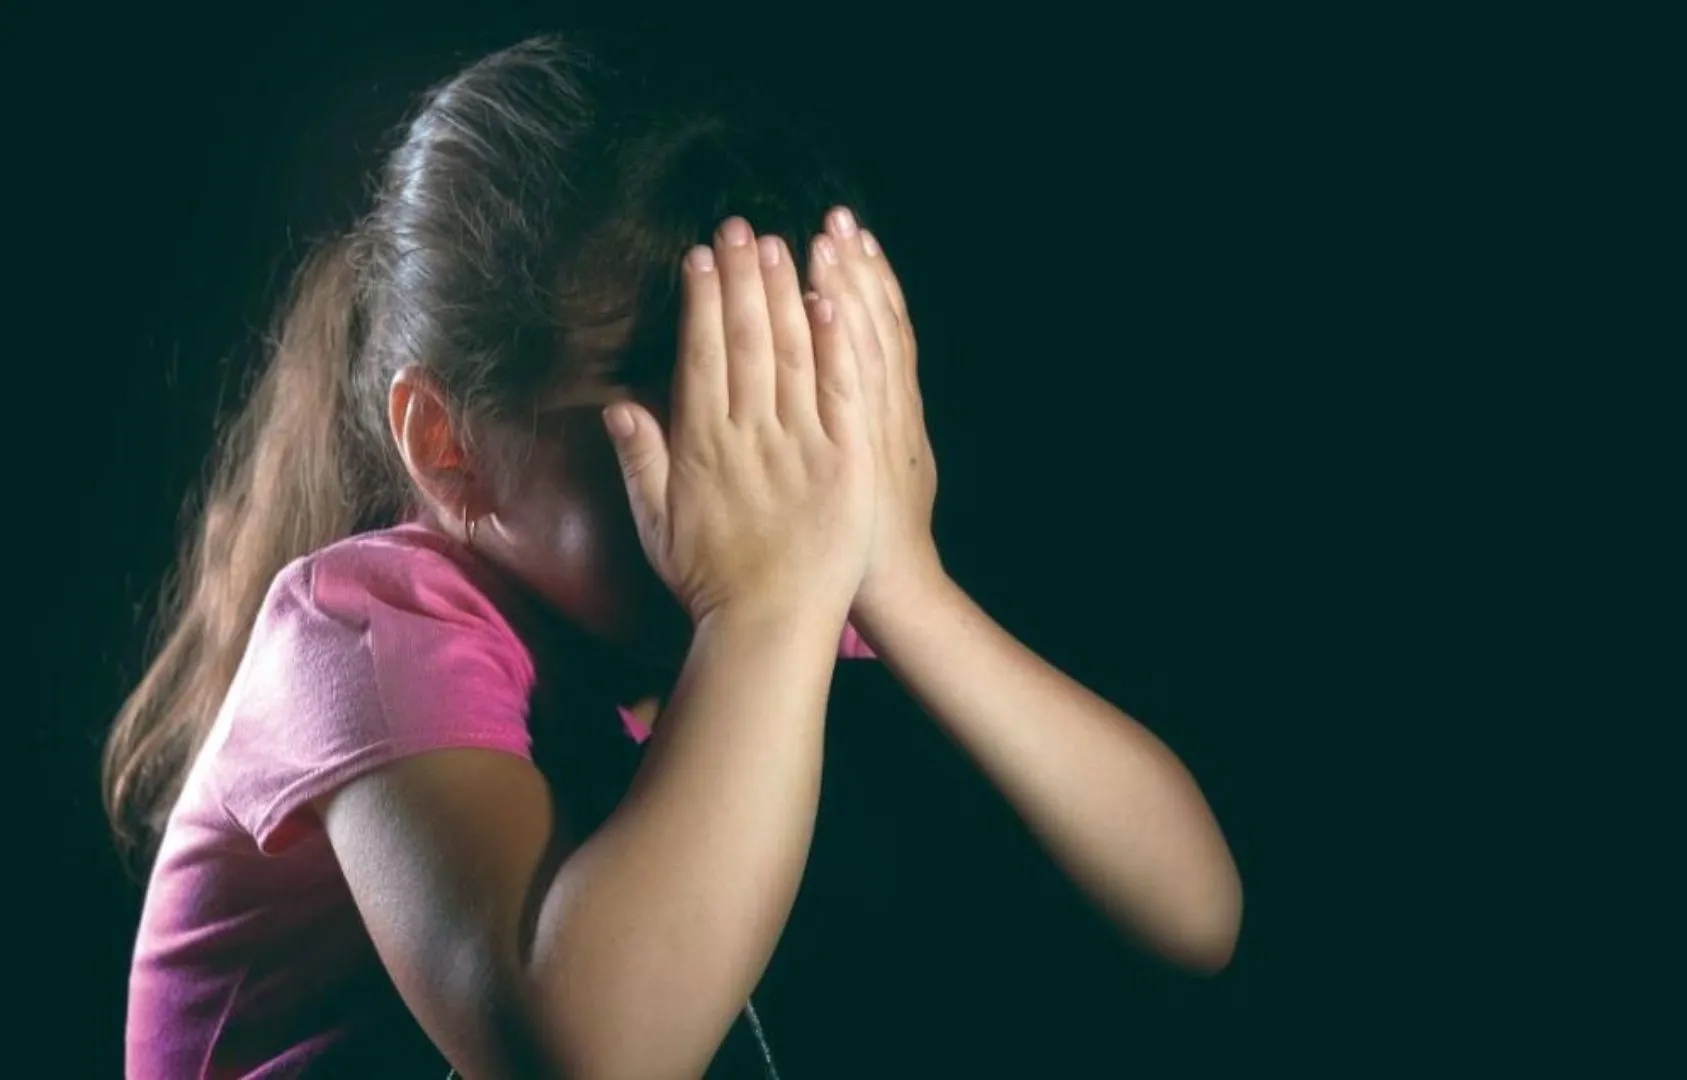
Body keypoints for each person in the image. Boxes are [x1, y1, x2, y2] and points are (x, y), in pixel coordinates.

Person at [105, 35, 1242, 1079]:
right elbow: (596, 1059)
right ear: (450, 446)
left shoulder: (752, 593)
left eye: (782, 407)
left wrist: (906, 580)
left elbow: (1195, 913)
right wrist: (767, 617)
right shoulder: (366, 626)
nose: (754, 481)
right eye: (697, 412)